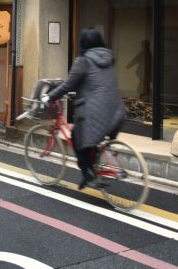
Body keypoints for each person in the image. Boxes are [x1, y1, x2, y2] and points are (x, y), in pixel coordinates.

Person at [42, 28, 125, 190]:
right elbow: (94, 83)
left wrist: (49, 96)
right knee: (91, 140)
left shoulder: (83, 61)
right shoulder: (108, 58)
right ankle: (89, 173)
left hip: (94, 112)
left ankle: (89, 175)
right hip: (116, 110)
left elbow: (68, 84)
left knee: (76, 137)